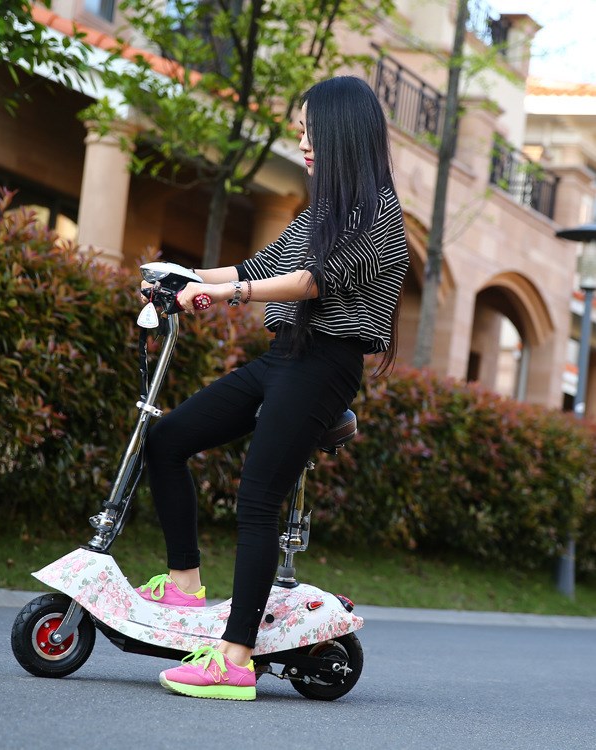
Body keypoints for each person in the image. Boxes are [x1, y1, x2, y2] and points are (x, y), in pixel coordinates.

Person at [137, 75, 409, 701]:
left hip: (325, 367)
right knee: (169, 438)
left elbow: (313, 281)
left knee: (258, 499)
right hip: (284, 356)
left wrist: (224, 293)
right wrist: (181, 275)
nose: (302, 141)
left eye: (310, 131)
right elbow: (264, 267)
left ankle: (234, 659)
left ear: (342, 134)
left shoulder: (381, 214)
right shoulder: (323, 211)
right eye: (300, 130)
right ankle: (184, 583)